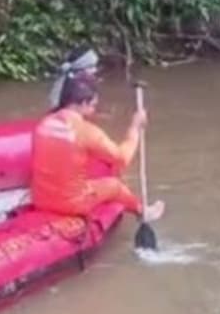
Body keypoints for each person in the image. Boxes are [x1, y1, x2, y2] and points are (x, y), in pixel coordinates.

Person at [30, 75, 164, 222]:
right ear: (83, 103)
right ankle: (142, 212)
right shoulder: (86, 131)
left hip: (39, 200)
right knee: (115, 186)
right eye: (93, 105)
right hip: (71, 204)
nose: (94, 110)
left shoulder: (43, 123)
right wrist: (134, 128)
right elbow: (122, 159)